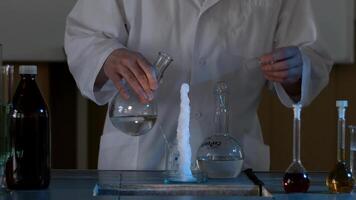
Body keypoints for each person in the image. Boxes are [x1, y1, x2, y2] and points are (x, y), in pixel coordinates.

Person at [64, 0, 332, 171]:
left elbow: (312, 55)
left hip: (231, 162)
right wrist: (108, 57)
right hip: (140, 157)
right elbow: (85, 35)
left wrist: (297, 69)